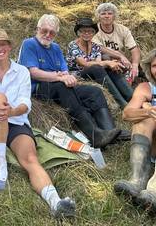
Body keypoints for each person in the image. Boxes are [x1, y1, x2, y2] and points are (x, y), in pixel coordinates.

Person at [0, 29, 75, 218]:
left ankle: (55, 202)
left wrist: (10, 111)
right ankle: (1, 165)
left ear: (10, 47)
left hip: (16, 120)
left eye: (3, 44)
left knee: (31, 159)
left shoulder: (21, 72)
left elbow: (25, 103)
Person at [18, 14, 122, 149]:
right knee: (62, 86)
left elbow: (65, 70)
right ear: (37, 29)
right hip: (37, 87)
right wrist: (59, 77)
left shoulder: (55, 48)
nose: (48, 34)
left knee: (94, 92)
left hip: (56, 84)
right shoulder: (29, 44)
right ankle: (95, 135)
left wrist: (68, 78)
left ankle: (109, 131)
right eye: (44, 31)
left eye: (52, 32)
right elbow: (33, 72)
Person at [114, 49, 156, 210]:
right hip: (152, 143)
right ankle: (137, 181)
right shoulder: (146, 87)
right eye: (154, 66)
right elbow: (127, 114)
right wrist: (147, 110)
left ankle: (154, 189)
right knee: (142, 120)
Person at [66, 17, 132, 108]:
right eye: (83, 31)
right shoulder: (73, 45)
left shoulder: (95, 46)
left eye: (90, 31)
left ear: (94, 33)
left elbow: (98, 63)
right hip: (78, 75)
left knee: (109, 68)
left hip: (94, 72)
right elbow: (84, 64)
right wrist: (108, 62)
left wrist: (111, 63)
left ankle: (131, 97)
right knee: (99, 67)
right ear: (78, 32)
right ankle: (122, 103)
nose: (87, 34)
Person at [93, 2, 140, 85]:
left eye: (110, 13)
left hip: (121, 60)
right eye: (103, 14)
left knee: (138, 63)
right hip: (103, 61)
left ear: (114, 16)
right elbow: (99, 48)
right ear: (99, 16)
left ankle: (131, 80)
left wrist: (135, 64)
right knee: (105, 56)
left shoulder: (122, 29)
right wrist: (119, 55)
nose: (106, 16)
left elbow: (134, 48)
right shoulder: (94, 30)